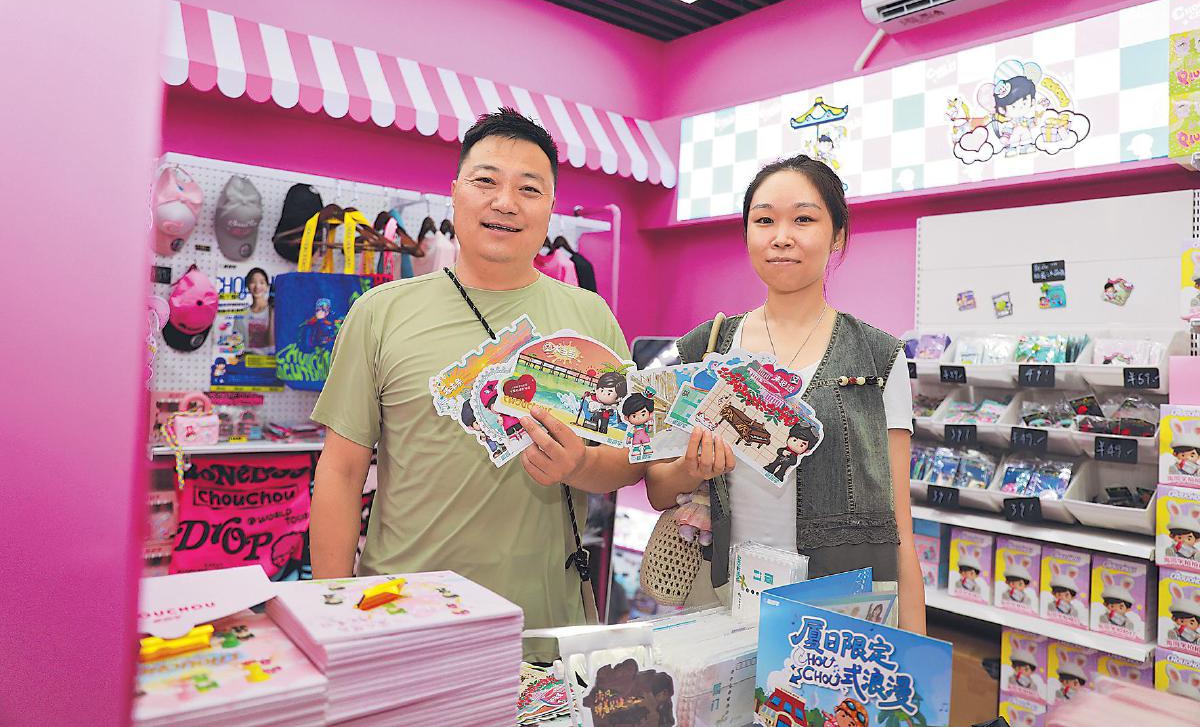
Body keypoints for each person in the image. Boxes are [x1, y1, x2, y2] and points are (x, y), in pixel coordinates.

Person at [308, 109, 641, 661]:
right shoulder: (380, 313)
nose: (505, 202)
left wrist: (579, 464)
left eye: (529, 188)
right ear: (455, 193)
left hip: (541, 624)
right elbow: (341, 471)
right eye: (486, 181)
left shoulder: (590, 317)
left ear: (550, 207)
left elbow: (630, 459)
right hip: (402, 617)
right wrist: (331, 612)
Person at [644, 154, 925, 633]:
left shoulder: (878, 358)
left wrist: (915, 653)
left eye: (803, 219)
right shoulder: (705, 348)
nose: (781, 236)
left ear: (838, 235)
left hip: (834, 611)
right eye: (764, 220)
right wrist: (691, 468)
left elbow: (899, 525)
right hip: (724, 600)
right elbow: (657, 489)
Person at [244, 267, 274, 353]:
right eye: (253, 282)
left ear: (267, 286)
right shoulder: (242, 314)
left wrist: (272, 312)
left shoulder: (274, 311)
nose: (257, 286)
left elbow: (272, 345)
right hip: (248, 359)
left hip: (268, 359)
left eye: (262, 282)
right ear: (247, 286)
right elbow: (237, 345)